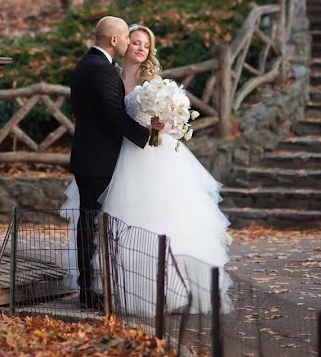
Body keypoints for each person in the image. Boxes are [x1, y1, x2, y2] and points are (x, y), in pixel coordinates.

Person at [64, 23, 232, 314]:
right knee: (111, 219)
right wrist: (143, 134)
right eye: (134, 41)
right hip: (119, 154)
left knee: (157, 218)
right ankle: (113, 286)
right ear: (122, 43)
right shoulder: (110, 75)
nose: (140, 47)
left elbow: (175, 119)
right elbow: (110, 115)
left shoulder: (152, 80)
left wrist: (162, 127)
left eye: (145, 44)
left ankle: (167, 288)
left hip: (150, 154)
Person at [68, 16, 160, 310]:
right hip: (99, 160)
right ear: (114, 40)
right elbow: (114, 116)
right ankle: (89, 290)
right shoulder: (104, 72)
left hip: (88, 156)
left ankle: (93, 286)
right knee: (92, 225)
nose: (130, 44)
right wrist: (147, 137)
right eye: (127, 39)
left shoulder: (83, 66)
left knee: (91, 223)